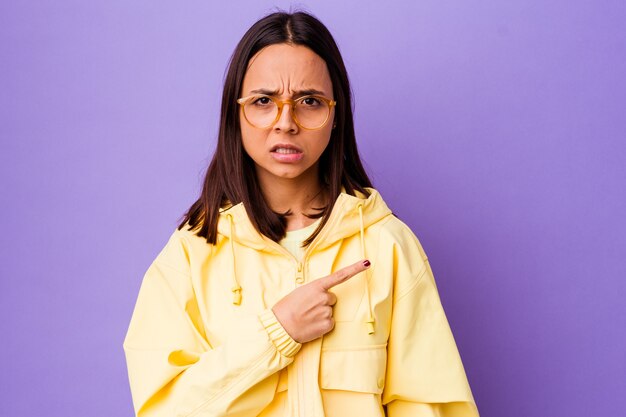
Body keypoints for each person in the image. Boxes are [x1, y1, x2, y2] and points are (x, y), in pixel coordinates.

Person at [123, 10, 479, 417]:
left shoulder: (387, 246)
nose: (286, 123)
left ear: (335, 113)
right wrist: (278, 333)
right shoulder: (191, 253)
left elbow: (431, 407)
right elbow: (162, 410)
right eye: (263, 101)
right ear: (235, 115)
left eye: (309, 102)